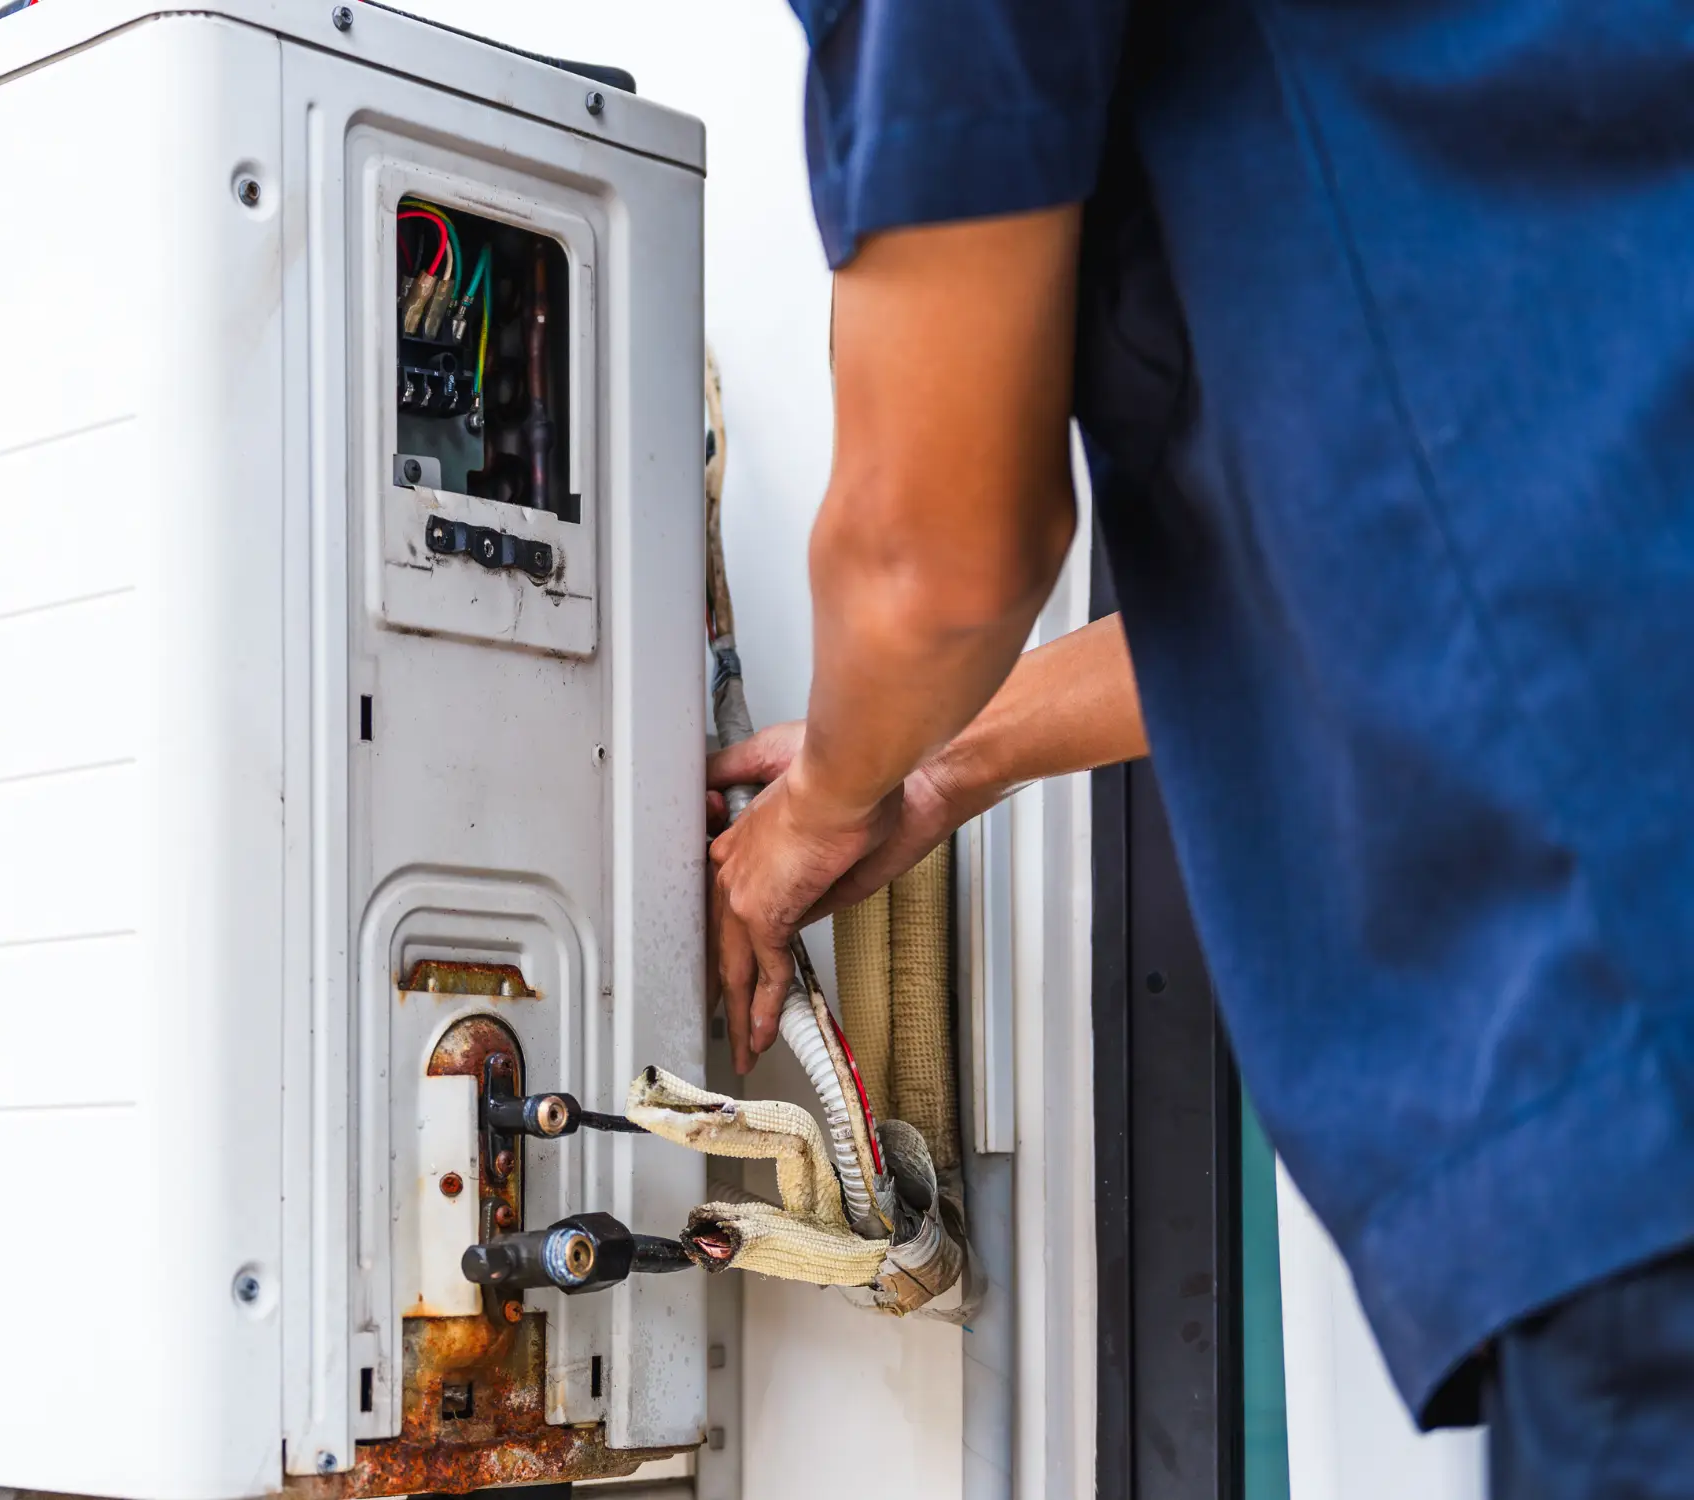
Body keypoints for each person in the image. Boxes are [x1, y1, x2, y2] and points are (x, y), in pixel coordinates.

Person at [710, 0, 1694, 1488]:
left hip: (1637, 1007)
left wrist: (814, 811)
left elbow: (933, 557)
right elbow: (1411, 549)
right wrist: (938, 765)